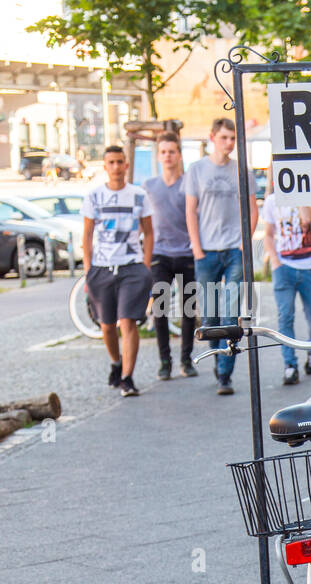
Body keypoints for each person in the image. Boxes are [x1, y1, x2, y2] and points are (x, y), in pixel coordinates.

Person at [186, 117, 258, 396]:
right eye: (224, 137)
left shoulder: (242, 170)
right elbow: (190, 210)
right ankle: (217, 361)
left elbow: (253, 208)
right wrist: (196, 247)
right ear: (212, 137)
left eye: (233, 138)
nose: (229, 143)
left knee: (230, 313)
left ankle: (225, 375)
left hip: (233, 250)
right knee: (210, 316)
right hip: (206, 251)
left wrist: (244, 243)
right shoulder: (197, 169)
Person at [81, 145, 153, 398]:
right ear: (105, 166)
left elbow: (149, 231)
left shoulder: (139, 195)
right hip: (101, 268)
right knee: (107, 325)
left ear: (126, 165)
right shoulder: (94, 196)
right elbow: (87, 234)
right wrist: (88, 268)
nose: (116, 167)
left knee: (127, 322)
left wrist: (145, 265)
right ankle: (115, 361)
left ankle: (127, 376)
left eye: (119, 162)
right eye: (110, 162)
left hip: (131, 267)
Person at [142, 131, 196, 380]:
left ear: (179, 155)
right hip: (160, 255)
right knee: (160, 310)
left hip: (186, 253)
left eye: (171, 151)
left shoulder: (189, 184)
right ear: (158, 156)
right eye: (163, 152)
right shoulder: (149, 186)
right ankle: (165, 361)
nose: (167, 156)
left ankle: (186, 359)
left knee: (188, 310)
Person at [262, 171, 311, 385]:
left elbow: (307, 219)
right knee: (285, 316)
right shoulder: (271, 201)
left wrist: (295, 194)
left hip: (310, 268)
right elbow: (268, 234)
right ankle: (290, 365)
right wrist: (275, 262)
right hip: (284, 268)